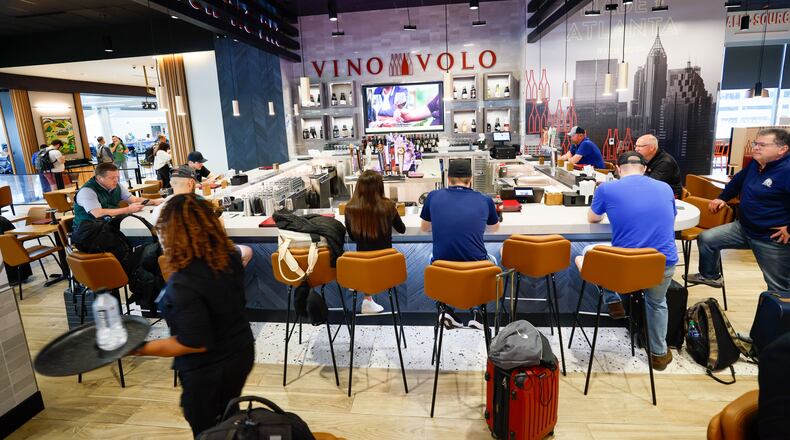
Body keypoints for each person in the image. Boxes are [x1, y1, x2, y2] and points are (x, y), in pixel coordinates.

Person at [132, 194, 255, 438]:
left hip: (210, 369)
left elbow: (193, 342)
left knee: (208, 429)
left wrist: (137, 348)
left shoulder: (184, 283)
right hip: (240, 351)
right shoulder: (227, 258)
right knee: (229, 416)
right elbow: (245, 251)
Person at [579, 151, 677, 370]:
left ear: (617, 169)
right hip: (661, 262)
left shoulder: (606, 188)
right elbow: (670, 216)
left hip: (626, 265)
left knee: (589, 251)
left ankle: (612, 298)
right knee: (657, 303)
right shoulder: (665, 188)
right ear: (645, 168)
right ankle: (659, 354)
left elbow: (592, 218)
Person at [686, 128, 790, 292]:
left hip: (770, 237)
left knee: (778, 288)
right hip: (743, 228)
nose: (756, 148)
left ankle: (778, 307)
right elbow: (737, 182)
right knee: (707, 239)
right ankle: (711, 276)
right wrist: (722, 198)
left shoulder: (787, 170)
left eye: (762, 145)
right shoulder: (757, 164)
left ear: (782, 149)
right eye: (756, 143)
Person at [420, 159, 500, 329]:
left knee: (431, 258)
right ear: (470, 179)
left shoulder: (433, 196)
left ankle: (445, 308)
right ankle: (478, 312)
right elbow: (494, 229)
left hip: (443, 268)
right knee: (492, 260)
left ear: (448, 179)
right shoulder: (485, 200)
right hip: (477, 269)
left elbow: (424, 227)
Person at [151, 166, 253, 267]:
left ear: (171, 183)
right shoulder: (197, 206)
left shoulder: (158, 210)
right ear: (191, 183)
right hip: (205, 263)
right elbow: (215, 236)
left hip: (174, 265)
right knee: (248, 251)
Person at [344, 170, 406, 314]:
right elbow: (401, 229)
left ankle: (367, 298)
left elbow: (352, 237)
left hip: (362, 269)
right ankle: (372, 301)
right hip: (386, 268)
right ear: (380, 187)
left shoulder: (350, 208)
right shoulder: (388, 206)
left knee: (366, 262)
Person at [72, 163, 164, 233]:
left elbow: (134, 199)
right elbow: (98, 213)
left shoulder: (116, 185)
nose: (116, 180)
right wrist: (128, 209)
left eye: (117, 177)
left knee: (146, 230)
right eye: (112, 178)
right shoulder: (87, 191)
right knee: (142, 234)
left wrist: (154, 201)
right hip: (89, 231)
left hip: (109, 225)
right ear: (99, 178)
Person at [635, 134, 682, 198]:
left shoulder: (665, 162)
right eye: (636, 146)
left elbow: (651, 185)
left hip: (669, 197)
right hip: (655, 193)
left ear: (652, 148)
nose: (636, 149)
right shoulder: (646, 158)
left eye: (640, 146)